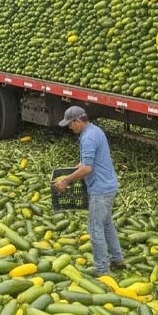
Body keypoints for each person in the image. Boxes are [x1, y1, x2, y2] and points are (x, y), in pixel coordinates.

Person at [54, 106, 123, 275]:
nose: (69, 128)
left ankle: (102, 269)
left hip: (100, 189)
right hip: (108, 185)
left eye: (70, 124)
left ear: (77, 121)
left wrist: (66, 180)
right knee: (107, 225)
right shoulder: (95, 131)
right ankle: (117, 260)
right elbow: (87, 162)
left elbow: (87, 169)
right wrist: (75, 168)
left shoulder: (88, 138)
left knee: (95, 228)